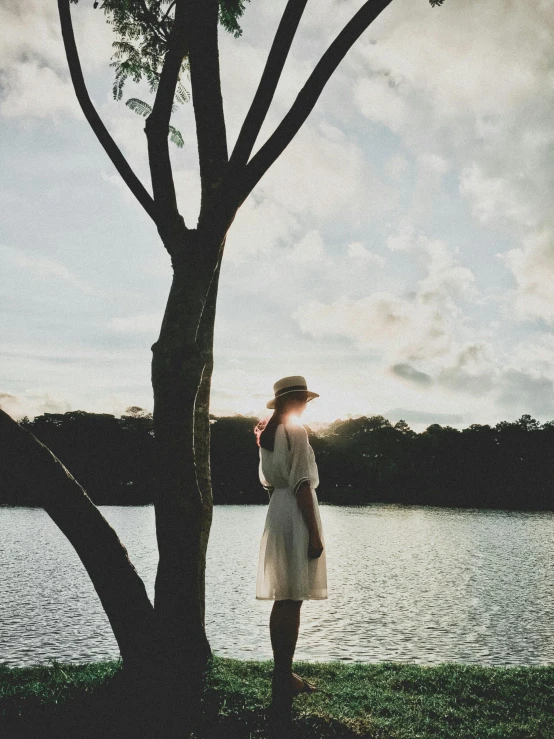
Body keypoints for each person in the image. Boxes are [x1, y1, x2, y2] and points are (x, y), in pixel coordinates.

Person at [255, 375, 327, 728]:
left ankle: (283, 674)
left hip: (277, 512)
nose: (304, 405)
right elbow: (301, 486)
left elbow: (274, 485)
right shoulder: (296, 432)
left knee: (284, 597)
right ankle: (284, 675)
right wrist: (314, 535)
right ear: (291, 401)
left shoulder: (267, 436)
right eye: (301, 399)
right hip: (296, 515)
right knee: (292, 598)